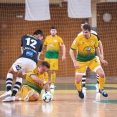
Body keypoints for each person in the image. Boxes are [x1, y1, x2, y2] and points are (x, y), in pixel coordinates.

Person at [0, 29, 44, 102]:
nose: (40, 39)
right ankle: (13, 96)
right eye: (41, 38)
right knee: (20, 75)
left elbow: (22, 51)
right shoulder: (40, 42)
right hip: (33, 64)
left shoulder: (24, 37)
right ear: (39, 35)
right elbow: (37, 56)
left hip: (24, 59)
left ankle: (8, 90)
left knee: (10, 71)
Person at [69, 24, 108, 99]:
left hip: (92, 60)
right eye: (83, 32)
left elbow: (97, 49)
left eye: (86, 32)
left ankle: (101, 89)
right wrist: (74, 62)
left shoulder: (94, 38)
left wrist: (101, 59)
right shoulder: (78, 38)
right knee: (78, 81)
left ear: (90, 32)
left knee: (102, 74)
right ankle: (80, 91)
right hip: (81, 61)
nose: (84, 34)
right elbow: (71, 51)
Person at [78, 21, 104, 93]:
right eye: (82, 26)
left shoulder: (94, 34)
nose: (84, 27)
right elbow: (77, 47)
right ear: (81, 27)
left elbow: (100, 44)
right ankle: (83, 86)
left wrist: (101, 54)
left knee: (99, 70)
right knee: (83, 71)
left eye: (85, 25)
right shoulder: (79, 35)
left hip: (94, 55)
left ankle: (98, 85)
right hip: (83, 56)